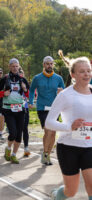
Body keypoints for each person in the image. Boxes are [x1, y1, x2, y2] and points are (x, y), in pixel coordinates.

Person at [45, 57, 92, 200]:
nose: (87, 74)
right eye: (82, 71)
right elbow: (49, 122)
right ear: (73, 75)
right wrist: (69, 127)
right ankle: (56, 195)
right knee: (71, 191)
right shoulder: (65, 95)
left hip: (89, 146)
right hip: (68, 147)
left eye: (89, 71)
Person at [29, 56, 65, 165]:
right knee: (48, 130)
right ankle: (45, 153)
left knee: (53, 133)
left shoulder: (58, 78)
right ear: (43, 65)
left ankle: (47, 154)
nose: (49, 66)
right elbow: (31, 90)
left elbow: (64, 92)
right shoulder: (37, 78)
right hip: (42, 108)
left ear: (53, 65)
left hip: (55, 108)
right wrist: (31, 102)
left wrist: (61, 92)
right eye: (47, 64)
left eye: (51, 64)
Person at [0, 58, 30, 164]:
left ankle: (14, 155)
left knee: (19, 133)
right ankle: (8, 148)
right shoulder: (5, 79)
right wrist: (3, 94)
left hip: (20, 109)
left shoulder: (22, 79)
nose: (15, 68)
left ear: (19, 66)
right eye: (13, 66)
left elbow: (29, 94)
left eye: (17, 66)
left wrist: (24, 90)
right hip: (8, 109)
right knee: (13, 132)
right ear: (9, 67)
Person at [19, 69, 30, 156]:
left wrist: (25, 88)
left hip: (25, 107)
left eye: (22, 75)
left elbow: (30, 94)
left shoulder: (25, 82)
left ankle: (26, 147)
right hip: (15, 109)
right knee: (17, 129)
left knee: (25, 128)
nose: (20, 77)